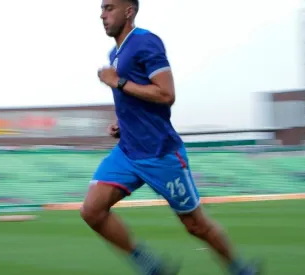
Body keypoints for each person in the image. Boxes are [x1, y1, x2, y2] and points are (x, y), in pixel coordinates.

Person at [80, 0, 261, 274]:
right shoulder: (114, 54)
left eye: (109, 8)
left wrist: (118, 82)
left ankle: (240, 267)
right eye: (102, 9)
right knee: (92, 211)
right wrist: (122, 123)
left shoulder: (146, 42)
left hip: (161, 154)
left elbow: (166, 95)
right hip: (128, 153)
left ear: (129, 11)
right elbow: (137, 100)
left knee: (195, 225)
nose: (102, 15)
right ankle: (150, 266)